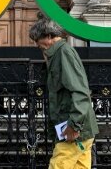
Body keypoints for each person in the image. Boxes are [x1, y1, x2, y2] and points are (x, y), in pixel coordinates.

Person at [30, 14, 98, 169]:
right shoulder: (57, 54)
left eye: (37, 40)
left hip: (73, 131)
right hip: (81, 130)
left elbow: (80, 91)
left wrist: (74, 125)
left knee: (58, 165)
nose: (36, 45)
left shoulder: (63, 53)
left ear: (48, 36)